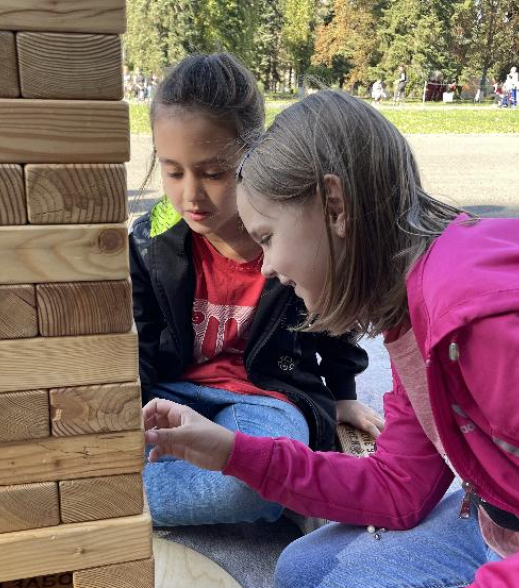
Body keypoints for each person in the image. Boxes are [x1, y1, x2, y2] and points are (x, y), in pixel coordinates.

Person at [143, 89, 519, 588]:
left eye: (268, 238)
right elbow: (400, 487)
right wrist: (234, 452)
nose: (267, 269)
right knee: (305, 576)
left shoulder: (478, 318)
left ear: (333, 206)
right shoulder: (410, 314)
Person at [131, 57, 380, 528]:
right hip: (170, 388)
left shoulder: (289, 234)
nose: (191, 195)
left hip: (264, 398)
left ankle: (112, 502)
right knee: (92, 452)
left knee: (246, 484)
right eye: (174, 172)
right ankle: (277, 488)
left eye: (213, 172)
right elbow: (140, 339)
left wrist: (342, 394)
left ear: (253, 156)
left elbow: (334, 317)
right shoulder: (149, 243)